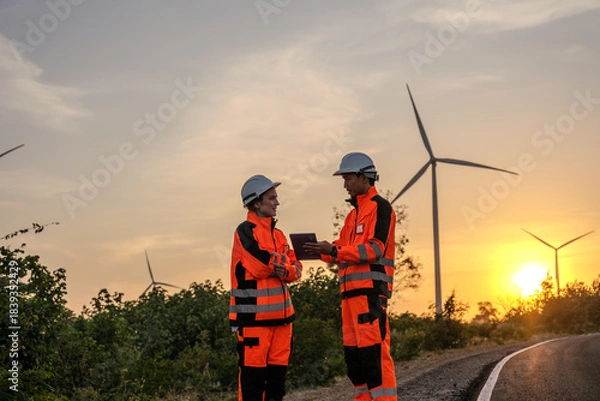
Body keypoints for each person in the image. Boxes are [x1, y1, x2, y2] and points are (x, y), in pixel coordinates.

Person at [304, 152, 397, 401]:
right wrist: (315, 250)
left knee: (374, 358)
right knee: (355, 362)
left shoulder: (381, 207)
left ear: (363, 177)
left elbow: (375, 248)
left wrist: (333, 250)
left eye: (347, 179)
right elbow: (342, 251)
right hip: (349, 300)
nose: (345, 184)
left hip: (370, 296)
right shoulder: (352, 215)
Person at [229, 174, 303, 401]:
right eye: (272, 198)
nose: (277, 203)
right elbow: (260, 264)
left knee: (276, 388)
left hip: (283, 323)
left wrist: (285, 269)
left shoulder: (279, 234)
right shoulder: (244, 231)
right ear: (256, 202)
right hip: (254, 323)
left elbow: (297, 268)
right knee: (253, 388)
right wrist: (283, 264)